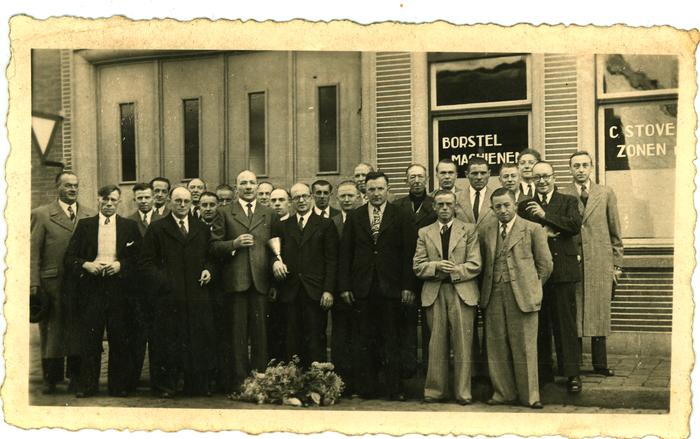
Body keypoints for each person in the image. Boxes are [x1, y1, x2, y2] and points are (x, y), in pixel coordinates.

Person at [338, 171, 417, 400]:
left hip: (391, 287)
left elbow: (408, 253)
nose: (376, 193)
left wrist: (408, 286)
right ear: (365, 191)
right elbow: (346, 254)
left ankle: (393, 389)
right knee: (364, 339)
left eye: (380, 188)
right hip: (362, 287)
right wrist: (344, 286)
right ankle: (366, 388)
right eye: (371, 189)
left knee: (391, 338)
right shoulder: (355, 216)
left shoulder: (401, 215)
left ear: (388, 189)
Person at [63, 185, 142, 397]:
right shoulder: (85, 226)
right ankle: (87, 386)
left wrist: (120, 266)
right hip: (92, 287)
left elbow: (139, 260)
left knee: (119, 336)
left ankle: (118, 386)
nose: (108, 204)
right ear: (98, 200)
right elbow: (69, 258)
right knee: (91, 337)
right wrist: (87, 265)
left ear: (119, 202)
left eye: (113, 200)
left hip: (119, 288)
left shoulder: (129, 227)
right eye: (105, 199)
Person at [479, 188, 553, 409]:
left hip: (523, 294)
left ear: (515, 205)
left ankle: (530, 396)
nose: (502, 210)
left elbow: (546, 265)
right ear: (492, 209)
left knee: (525, 347)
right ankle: (503, 392)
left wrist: (533, 287)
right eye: (498, 206)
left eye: (506, 205)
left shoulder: (532, 229)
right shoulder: (486, 230)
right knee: (496, 345)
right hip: (493, 293)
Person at [139, 186, 216, 397]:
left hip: (195, 295)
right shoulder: (157, 228)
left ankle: (195, 385)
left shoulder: (201, 227)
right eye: (178, 200)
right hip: (168, 297)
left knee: (196, 340)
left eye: (186, 201)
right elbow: (146, 263)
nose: (182, 205)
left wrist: (209, 270)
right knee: (167, 341)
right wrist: (165, 282)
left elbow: (211, 256)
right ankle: (166, 386)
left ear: (192, 203)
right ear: (170, 202)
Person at [517, 161, 583, 393]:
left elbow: (574, 225)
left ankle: (572, 374)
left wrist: (545, 216)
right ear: (532, 180)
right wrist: (543, 233)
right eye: (537, 178)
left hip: (563, 272)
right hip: (536, 274)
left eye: (546, 176)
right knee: (540, 324)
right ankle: (543, 373)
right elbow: (521, 233)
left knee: (565, 324)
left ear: (554, 177)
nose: (542, 181)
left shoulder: (568, 201)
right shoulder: (524, 206)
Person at [210, 170, 278, 390]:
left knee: (261, 334)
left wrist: (274, 281)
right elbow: (213, 246)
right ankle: (240, 382)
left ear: (258, 186)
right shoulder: (224, 212)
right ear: (236, 186)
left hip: (261, 282)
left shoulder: (268, 213)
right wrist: (234, 244)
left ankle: (260, 381)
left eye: (252, 182)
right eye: (243, 183)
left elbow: (276, 249)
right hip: (236, 282)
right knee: (237, 335)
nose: (248, 187)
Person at [413, 190, 481, 405]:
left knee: (463, 342)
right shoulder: (424, 232)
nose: (444, 208)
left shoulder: (469, 230)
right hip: (435, 292)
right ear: (434, 207)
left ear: (455, 206)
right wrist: (435, 266)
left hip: (461, 291)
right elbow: (417, 265)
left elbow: (475, 263)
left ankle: (463, 392)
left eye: (448, 204)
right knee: (436, 343)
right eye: (440, 204)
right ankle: (435, 391)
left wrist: (453, 270)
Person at [30, 171, 95, 394]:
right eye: (68, 186)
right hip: (53, 283)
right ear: (57, 187)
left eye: (76, 185)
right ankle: (51, 379)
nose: (73, 189)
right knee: (53, 332)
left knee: (77, 330)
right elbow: (32, 253)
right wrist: (34, 285)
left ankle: (75, 377)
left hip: (80, 283)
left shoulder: (89, 214)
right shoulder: (42, 215)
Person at [562, 151, 623, 376]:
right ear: (570, 169)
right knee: (574, 311)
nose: (580, 169)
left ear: (592, 167)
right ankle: (574, 363)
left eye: (584, 165)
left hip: (599, 262)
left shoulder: (605, 193)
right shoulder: (564, 194)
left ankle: (600, 364)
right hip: (573, 263)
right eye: (576, 166)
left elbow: (615, 232)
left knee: (599, 311)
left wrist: (617, 265)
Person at [269, 183, 338, 365]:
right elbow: (272, 254)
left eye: (305, 196)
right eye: (296, 197)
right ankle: (293, 382)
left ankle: (317, 385)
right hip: (289, 290)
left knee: (315, 337)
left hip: (315, 292)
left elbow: (332, 260)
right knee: (290, 339)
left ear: (311, 198)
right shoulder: (282, 226)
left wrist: (328, 290)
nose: (301, 200)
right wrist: (275, 262)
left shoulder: (326, 224)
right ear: (291, 201)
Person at [393, 163, 437, 378]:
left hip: (430, 275)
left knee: (431, 326)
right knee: (406, 325)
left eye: (420, 176)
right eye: (412, 177)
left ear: (427, 179)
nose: (417, 181)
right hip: (405, 275)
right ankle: (409, 371)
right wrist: (405, 283)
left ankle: (431, 370)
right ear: (406, 180)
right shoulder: (397, 206)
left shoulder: (436, 205)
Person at [126, 183, 165, 391]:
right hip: (136, 289)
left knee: (159, 336)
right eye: (139, 198)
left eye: (147, 197)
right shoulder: (127, 222)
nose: (143, 201)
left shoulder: (163, 221)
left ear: (153, 199)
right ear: (135, 199)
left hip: (158, 288)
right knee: (136, 336)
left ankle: (158, 381)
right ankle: (132, 380)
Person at [329, 180, 359, 395]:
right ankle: (341, 383)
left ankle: (360, 382)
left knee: (360, 335)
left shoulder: (364, 219)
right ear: (337, 199)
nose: (347, 200)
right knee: (340, 336)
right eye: (343, 197)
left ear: (358, 197)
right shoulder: (333, 223)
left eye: (351, 196)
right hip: (341, 288)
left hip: (363, 288)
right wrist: (340, 287)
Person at [456, 156, 495, 231]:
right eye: (475, 173)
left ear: (489, 173)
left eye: (483, 173)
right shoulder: (456, 198)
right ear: (467, 174)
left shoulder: (496, 198)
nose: (479, 177)